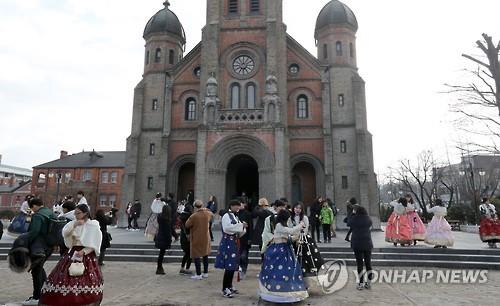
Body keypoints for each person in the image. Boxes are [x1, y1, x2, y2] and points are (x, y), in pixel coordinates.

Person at [39, 204, 103, 306]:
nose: (76, 215)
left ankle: (85, 299)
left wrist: (85, 251)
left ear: (85, 213)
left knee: (85, 277)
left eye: (78, 213)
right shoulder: (73, 223)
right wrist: (75, 225)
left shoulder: (93, 225)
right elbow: (65, 233)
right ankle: (64, 298)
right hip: (72, 252)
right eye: (75, 213)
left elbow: (95, 242)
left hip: (86, 255)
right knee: (65, 275)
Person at [259, 209, 308, 303]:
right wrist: (300, 226)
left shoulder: (281, 226)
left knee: (287, 271)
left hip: (285, 250)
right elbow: (290, 231)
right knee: (279, 271)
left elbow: (288, 237)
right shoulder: (278, 225)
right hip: (278, 251)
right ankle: (277, 292)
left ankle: (286, 292)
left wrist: (297, 236)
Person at [21, 198, 56, 306]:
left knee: (36, 271)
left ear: (34, 206)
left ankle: (37, 297)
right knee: (39, 269)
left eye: (32, 208)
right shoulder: (50, 212)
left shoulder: (38, 215)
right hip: (49, 246)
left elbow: (34, 231)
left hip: (39, 247)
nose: (32, 210)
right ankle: (46, 292)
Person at [215, 200, 247, 298]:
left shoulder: (235, 216)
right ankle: (225, 288)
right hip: (228, 242)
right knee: (229, 266)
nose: (238, 208)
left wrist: (243, 228)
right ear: (231, 206)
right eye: (236, 206)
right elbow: (227, 228)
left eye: (239, 206)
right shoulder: (226, 216)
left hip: (234, 242)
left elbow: (238, 230)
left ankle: (230, 285)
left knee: (232, 266)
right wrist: (241, 226)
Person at [292, 203, 324, 279]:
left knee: (310, 253)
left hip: (304, 238)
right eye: (296, 208)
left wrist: (300, 237)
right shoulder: (291, 218)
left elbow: (305, 229)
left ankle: (310, 270)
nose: (297, 210)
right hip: (294, 238)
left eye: (299, 208)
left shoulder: (304, 217)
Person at [185, 200, 213, 280]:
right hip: (206, 237)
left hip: (197, 237)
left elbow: (187, 225)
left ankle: (198, 274)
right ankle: (205, 272)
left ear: (194, 207)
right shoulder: (207, 213)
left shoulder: (194, 216)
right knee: (205, 255)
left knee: (196, 255)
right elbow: (212, 216)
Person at [348, 205, 373, 290]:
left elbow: (348, 222)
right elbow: (370, 225)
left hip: (357, 243)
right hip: (367, 243)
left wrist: (352, 214)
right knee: (368, 263)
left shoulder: (354, 219)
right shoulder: (368, 219)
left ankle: (361, 283)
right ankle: (369, 283)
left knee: (360, 264)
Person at [237, 199, 253, 279]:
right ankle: (239, 270)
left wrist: (250, 238)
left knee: (244, 255)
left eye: (241, 204)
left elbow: (250, 226)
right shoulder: (235, 213)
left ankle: (244, 270)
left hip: (245, 238)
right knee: (238, 255)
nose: (239, 206)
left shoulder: (248, 214)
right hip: (237, 238)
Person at [155, 204, 172, 275]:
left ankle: (159, 267)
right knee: (161, 254)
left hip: (160, 237)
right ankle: (159, 268)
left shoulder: (160, 218)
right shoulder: (166, 220)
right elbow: (168, 232)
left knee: (161, 254)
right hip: (164, 239)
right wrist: (169, 241)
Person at [178, 204, 193, 275]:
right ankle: (187, 268)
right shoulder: (189, 217)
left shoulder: (181, 216)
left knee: (187, 253)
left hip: (183, 237)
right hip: (189, 237)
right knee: (190, 254)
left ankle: (182, 267)